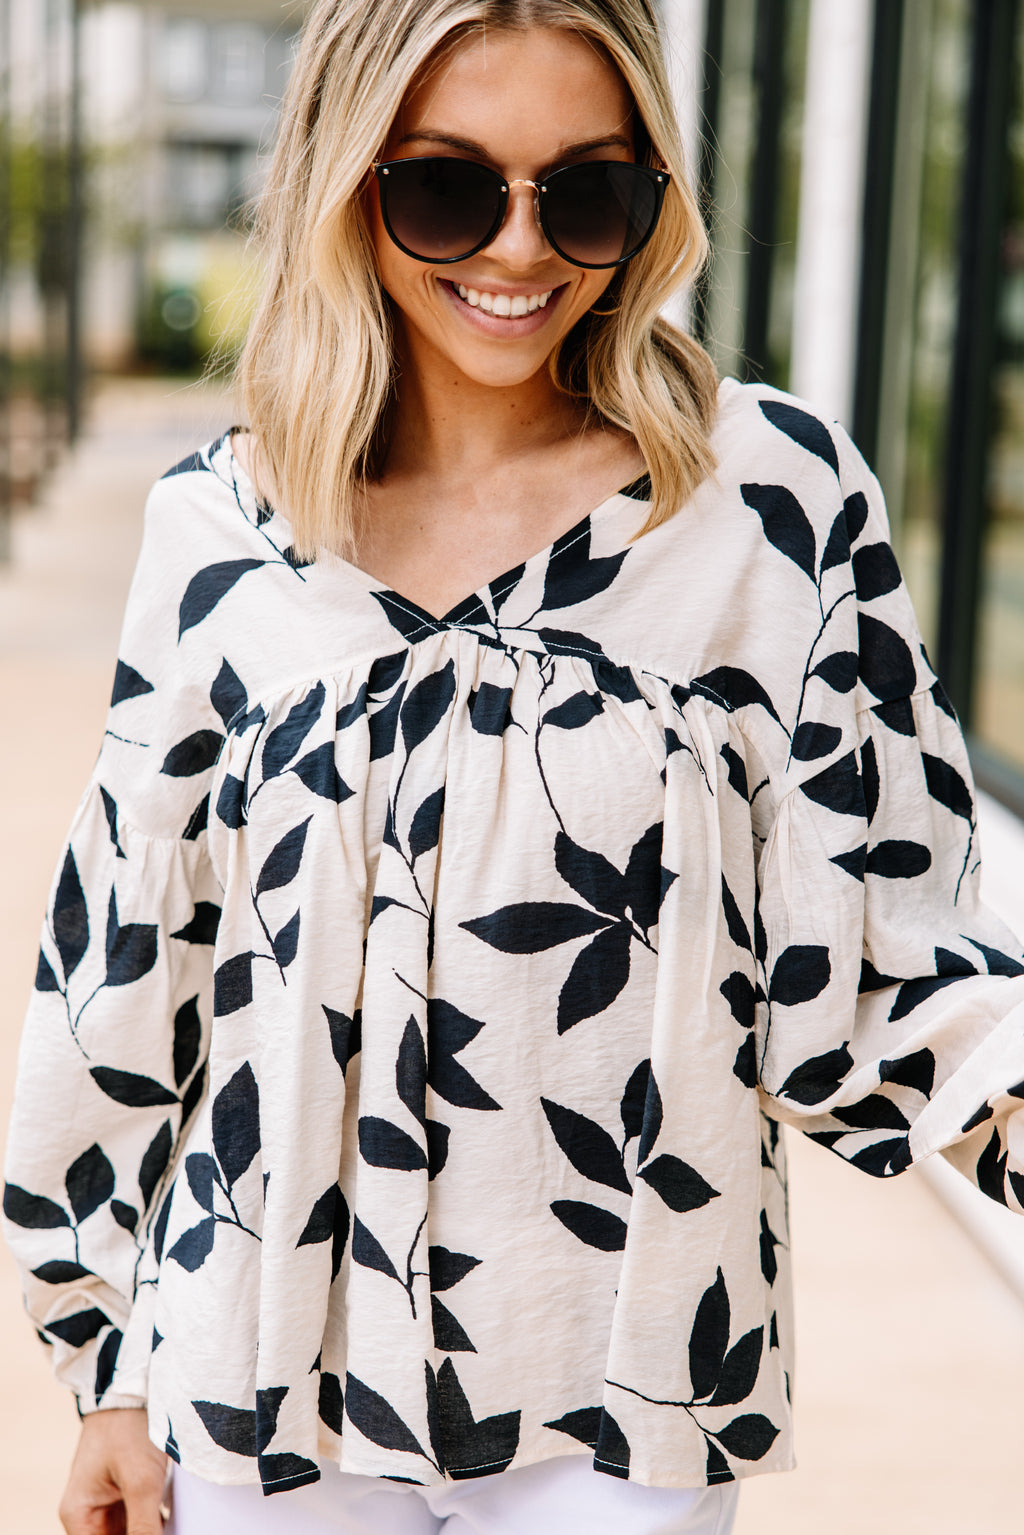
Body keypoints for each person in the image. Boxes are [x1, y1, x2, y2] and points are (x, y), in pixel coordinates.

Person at [5, 1, 1024, 1531]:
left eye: (590, 191)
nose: (520, 250)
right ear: (347, 180)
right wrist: (110, 1367)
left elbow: (898, 930)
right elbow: (130, 964)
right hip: (261, 1371)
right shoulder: (218, 533)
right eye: (448, 186)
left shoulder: (769, 508)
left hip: (632, 1368)